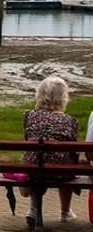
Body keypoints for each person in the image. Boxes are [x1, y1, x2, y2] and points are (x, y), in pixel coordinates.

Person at [22, 75, 79, 222]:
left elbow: (27, 139)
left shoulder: (30, 116)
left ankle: (34, 209)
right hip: (60, 172)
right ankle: (65, 212)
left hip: (33, 168)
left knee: (37, 160)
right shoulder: (69, 120)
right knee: (67, 164)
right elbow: (73, 148)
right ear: (63, 97)